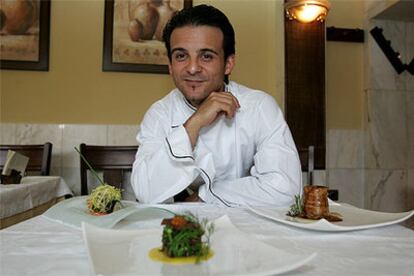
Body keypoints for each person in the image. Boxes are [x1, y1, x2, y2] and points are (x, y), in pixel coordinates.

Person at [131, 4, 302, 207]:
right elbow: (145, 192)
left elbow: (286, 190)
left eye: (206, 56)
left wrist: (206, 196)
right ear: (170, 66)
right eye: (181, 56)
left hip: (247, 230)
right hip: (185, 232)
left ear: (228, 64)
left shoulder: (259, 107)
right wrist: (194, 124)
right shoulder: (159, 114)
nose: (193, 68)